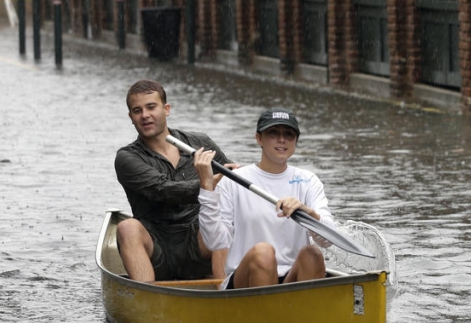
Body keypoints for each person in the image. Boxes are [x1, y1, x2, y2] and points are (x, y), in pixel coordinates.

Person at [194, 106, 335, 290]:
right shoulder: (234, 180)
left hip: (290, 279)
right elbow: (215, 241)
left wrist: (308, 213)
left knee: (313, 254)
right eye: (273, 133)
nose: (282, 139)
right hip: (244, 281)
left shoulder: (309, 181)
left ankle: (301, 313)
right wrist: (207, 187)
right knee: (264, 252)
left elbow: (328, 240)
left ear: (295, 141)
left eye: (289, 134)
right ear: (259, 138)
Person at [114, 79, 234, 282]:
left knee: (225, 210)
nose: (145, 116)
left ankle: (226, 293)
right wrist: (206, 184)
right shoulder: (127, 158)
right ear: (131, 117)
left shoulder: (200, 143)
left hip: (199, 240)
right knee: (127, 227)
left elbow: (233, 178)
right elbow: (164, 190)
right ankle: (148, 300)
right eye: (137, 110)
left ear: (166, 109)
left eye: (151, 107)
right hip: (156, 246)